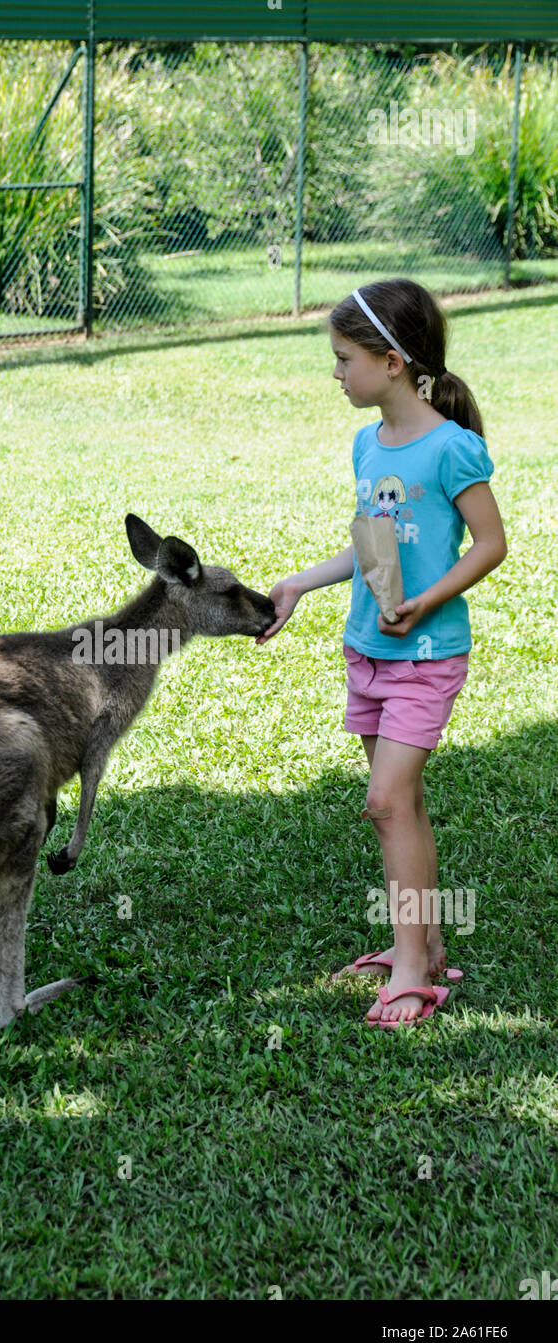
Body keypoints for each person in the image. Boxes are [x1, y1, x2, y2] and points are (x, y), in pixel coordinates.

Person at [257, 278, 507, 1028]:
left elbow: (490, 546)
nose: (334, 374)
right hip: (366, 651)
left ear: (391, 362)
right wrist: (300, 583)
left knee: (383, 802)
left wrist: (426, 601)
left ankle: (408, 972)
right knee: (403, 806)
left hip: (425, 655)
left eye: (342, 359)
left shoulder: (452, 448)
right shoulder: (368, 442)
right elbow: (371, 544)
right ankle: (423, 948)